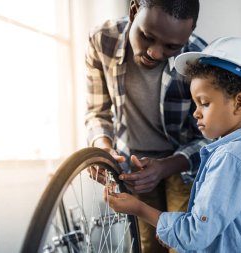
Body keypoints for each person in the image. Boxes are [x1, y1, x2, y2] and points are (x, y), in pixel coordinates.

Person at [105, 37, 241, 252]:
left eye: (204, 103)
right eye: (195, 103)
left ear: (239, 103)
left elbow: (195, 234)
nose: (196, 112)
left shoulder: (231, 157)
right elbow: (213, 224)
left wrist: (138, 208)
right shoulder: (235, 152)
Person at [84, 0, 208, 252]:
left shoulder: (199, 58)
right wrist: (103, 150)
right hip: (133, 164)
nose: (156, 53)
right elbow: (98, 113)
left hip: (182, 164)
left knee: (185, 245)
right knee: (147, 246)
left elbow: (210, 136)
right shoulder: (102, 40)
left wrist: (165, 167)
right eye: (147, 37)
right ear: (132, 11)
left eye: (172, 46)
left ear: (190, 30)